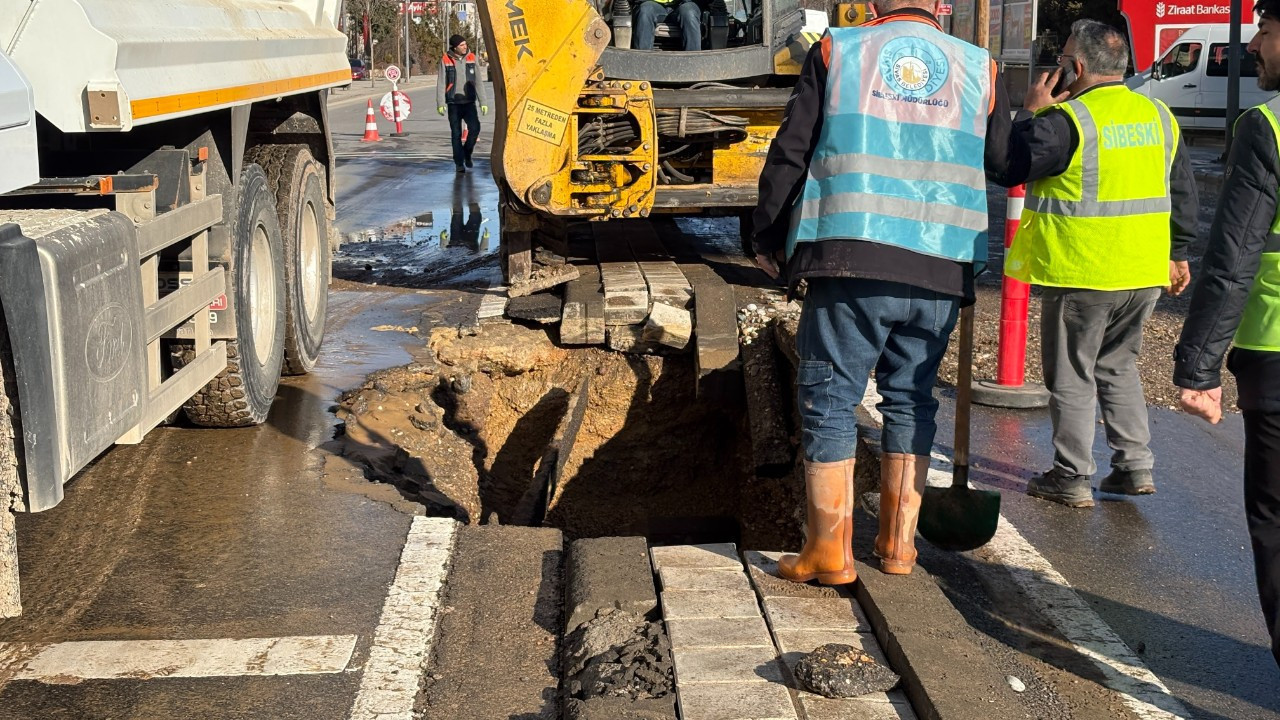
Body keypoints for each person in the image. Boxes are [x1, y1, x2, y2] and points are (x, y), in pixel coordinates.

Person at [750, 0, 1010, 582]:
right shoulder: (980, 66)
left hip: (854, 254)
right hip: (942, 265)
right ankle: (898, 550)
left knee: (831, 398)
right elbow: (999, 160)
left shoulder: (838, 50)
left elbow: (792, 150)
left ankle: (828, 552)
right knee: (912, 399)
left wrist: (767, 235)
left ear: (872, 4)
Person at [998, 20, 1197, 508]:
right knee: (1118, 365)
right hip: (1144, 273)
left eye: (1062, 59)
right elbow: (1183, 191)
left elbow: (1008, 165)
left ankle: (1071, 475)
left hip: (1082, 270)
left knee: (1071, 374)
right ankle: (1134, 465)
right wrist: (1179, 253)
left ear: (1076, 67)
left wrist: (1028, 114)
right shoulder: (1158, 115)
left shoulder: (1066, 122)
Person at [1174, 0, 1280, 667]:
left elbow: (1234, 254)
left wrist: (1198, 367)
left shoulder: (1268, 126)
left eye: (1267, 31)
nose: (1254, 44)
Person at [436, 34, 488, 173]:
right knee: (456, 134)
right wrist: (440, 102)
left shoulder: (472, 58)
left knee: (475, 128)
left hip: (469, 102)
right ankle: (459, 163)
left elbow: (478, 81)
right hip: (454, 103)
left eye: (465, 44)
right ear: (455, 47)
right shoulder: (446, 60)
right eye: (462, 45)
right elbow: (441, 82)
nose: (465, 47)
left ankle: (467, 153)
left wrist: (483, 101)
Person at [634, 0, 702, 51]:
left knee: (689, 13)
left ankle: (692, 62)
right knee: (645, 11)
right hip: (653, 4)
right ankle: (642, 61)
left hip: (684, 3)